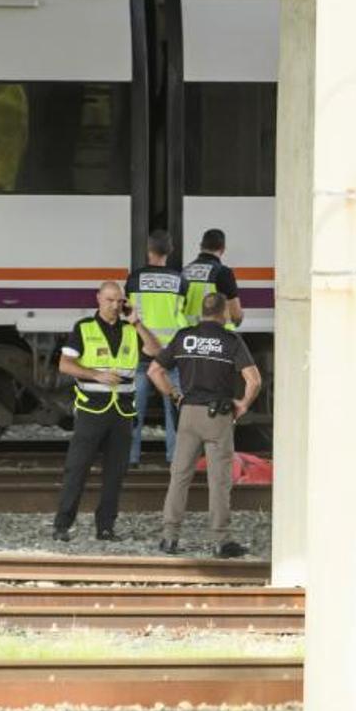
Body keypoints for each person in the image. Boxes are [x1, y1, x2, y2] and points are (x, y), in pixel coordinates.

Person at [149, 292, 261, 557]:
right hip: (217, 417)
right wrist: (243, 404)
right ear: (223, 313)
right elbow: (254, 380)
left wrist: (175, 396)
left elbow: (154, 371)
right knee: (219, 481)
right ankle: (220, 541)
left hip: (188, 414)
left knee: (179, 477)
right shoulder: (230, 340)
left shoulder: (184, 336)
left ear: (202, 311)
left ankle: (169, 537)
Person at [52, 281, 161, 543]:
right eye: (110, 300)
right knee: (76, 468)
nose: (114, 305)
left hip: (122, 412)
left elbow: (157, 351)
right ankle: (62, 525)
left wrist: (137, 323)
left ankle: (106, 528)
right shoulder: (84, 328)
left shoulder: (129, 330)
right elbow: (65, 365)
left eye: (119, 301)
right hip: (92, 408)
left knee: (115, 473)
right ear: (99, 298)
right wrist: (95, 375)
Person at [125, 230, 188, 466]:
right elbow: (183, 317)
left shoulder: (134, 279)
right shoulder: (180, 281)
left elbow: (129, 313)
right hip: (169, 356)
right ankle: (174, 458)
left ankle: (131, 458)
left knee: (133, 412)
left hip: (141, 352)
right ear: (169, 252)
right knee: (175, 410)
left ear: (148, 251)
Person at [182, 228, 243, 329]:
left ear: (201, 246)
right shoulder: (223, 272)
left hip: (189, 336)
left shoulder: (184, 271)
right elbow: (235, 314)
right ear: (223, 249)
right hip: (217, 337)